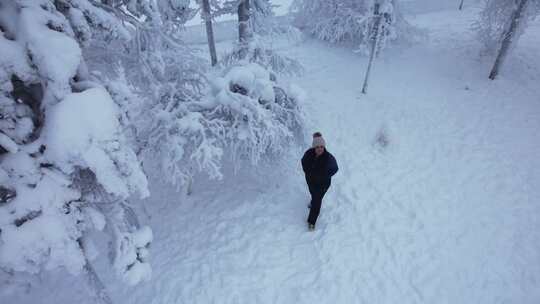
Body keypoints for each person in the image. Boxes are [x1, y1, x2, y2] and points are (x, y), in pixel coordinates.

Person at [301, 132, 338, 231]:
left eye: (322, 146)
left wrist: (324, 176)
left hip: (323, 185)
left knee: (317, 201)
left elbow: (335, 168)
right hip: (311, 182)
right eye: (317, 147)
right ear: (314, 147)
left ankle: (312, 222)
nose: (320, 149)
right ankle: (313, 202)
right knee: (313, 194)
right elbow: (303, 162)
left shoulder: (328, 158)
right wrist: (307, 172)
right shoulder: (308, 154)